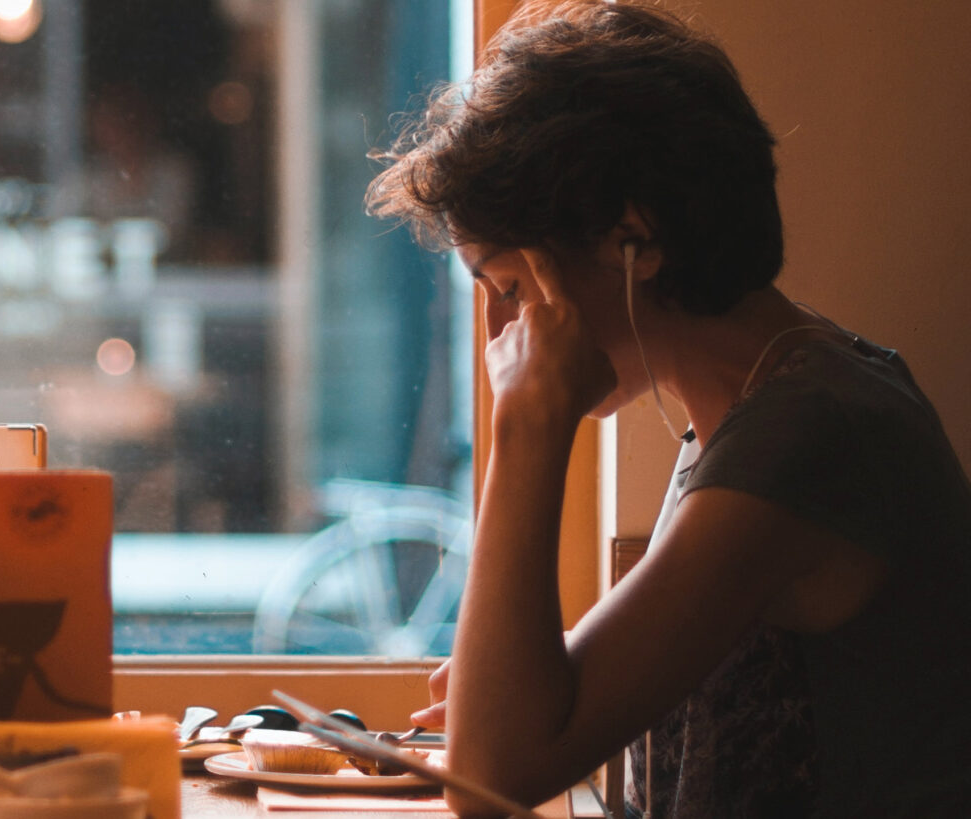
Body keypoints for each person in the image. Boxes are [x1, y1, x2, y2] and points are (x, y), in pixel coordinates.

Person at [365, 1, 971, 816]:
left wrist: (526, 425)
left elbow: (487, 777)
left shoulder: (806, 437)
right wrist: (502, 691)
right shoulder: (761, 401)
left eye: (509, 289)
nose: (501, 337)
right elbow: (524, 713)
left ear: (635, 238)